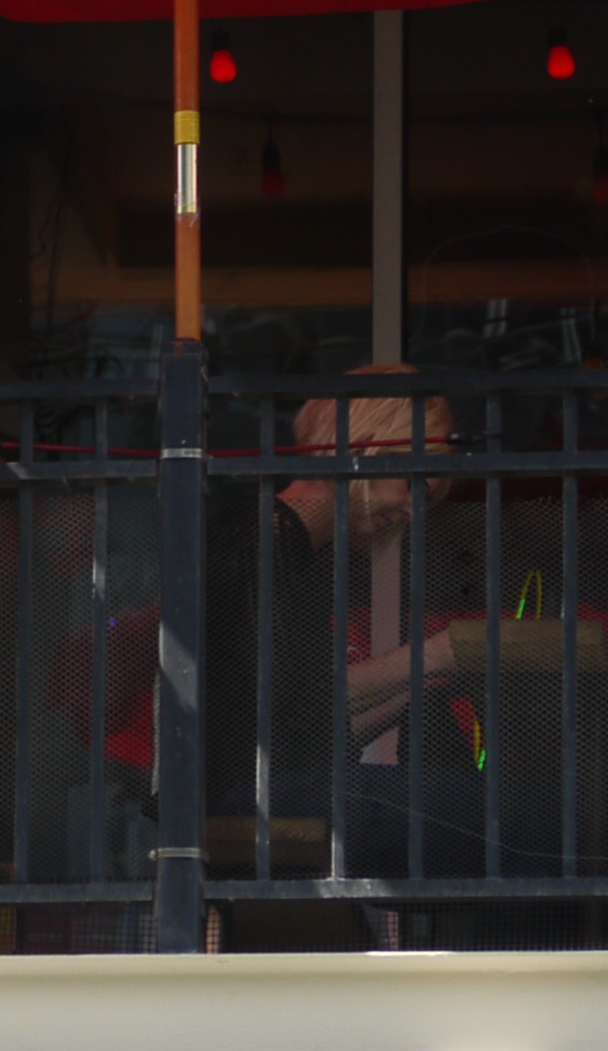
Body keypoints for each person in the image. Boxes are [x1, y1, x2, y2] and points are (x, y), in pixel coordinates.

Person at [197, 371, 485, 883]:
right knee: (515, 813)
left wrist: (425, 680)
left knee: (489, 809)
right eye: (413, 484)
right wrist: (435, 655)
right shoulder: (265, 538)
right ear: (366, 447)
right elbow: (293, 709)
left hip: (261, 789)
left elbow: (304, 723)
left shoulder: (286, 543)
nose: (415, 510)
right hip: (246, 795)